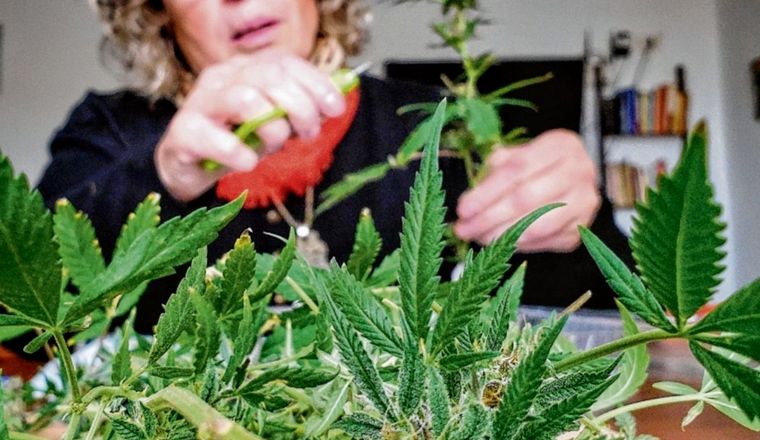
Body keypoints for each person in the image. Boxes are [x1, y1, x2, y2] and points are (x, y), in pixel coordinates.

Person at [37, 0, 633, 333]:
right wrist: (166, 172)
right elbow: (28, 310)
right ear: (156, 12)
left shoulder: (432, 124)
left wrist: (572, 216)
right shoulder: (110, 130)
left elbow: (597, 314)